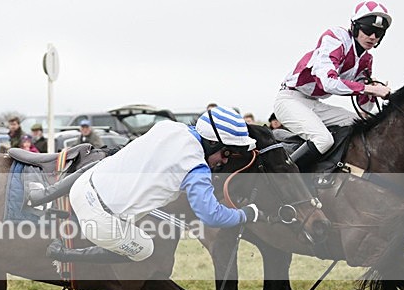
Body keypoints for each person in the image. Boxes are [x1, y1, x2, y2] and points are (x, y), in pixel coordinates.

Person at [47, 107, 265, 263]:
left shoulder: (169, 127)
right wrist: (246, 214)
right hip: (101, 223)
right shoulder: (196, 169)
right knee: (144, 250)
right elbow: (212, 216)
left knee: (106, 161)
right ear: (212, 143)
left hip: (81, 186)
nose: (224, 161)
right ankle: (63, 255)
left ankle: (43, 196)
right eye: (226, 153)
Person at [274, 0, 392, 169]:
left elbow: (364, 107)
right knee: (323, 140)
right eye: (368, 30)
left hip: (314, 104)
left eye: (379, 33)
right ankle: (282, 178)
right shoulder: (336, 37)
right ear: (356, 27)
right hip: (290, 99)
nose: (373, 37)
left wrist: (371, 94)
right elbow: (327, 83)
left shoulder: (366, 59)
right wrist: (369, 88)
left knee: (359, 124)